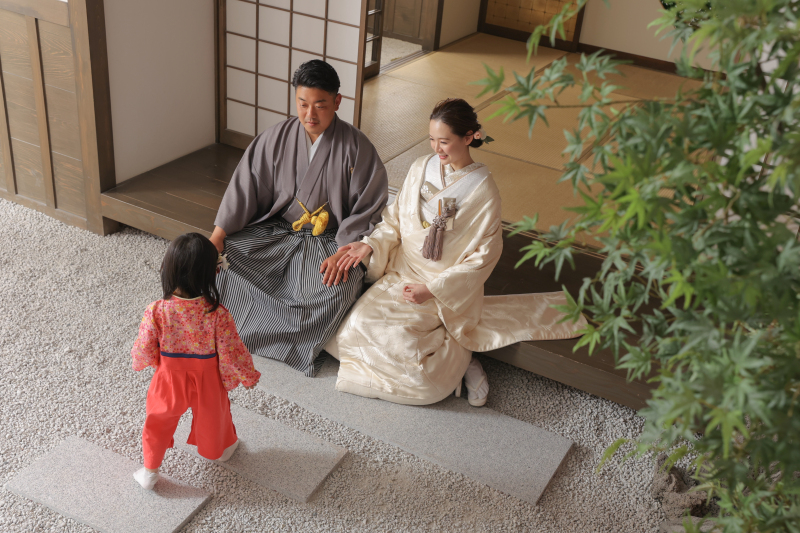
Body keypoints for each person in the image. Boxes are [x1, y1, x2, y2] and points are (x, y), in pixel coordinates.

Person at [328, 98, 587, 406]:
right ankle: (457, 356)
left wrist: (432, 289)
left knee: (407, 354)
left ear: (468, 137)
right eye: (432, 140)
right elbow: (395, 219)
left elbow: (483, 256)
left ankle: (461, 357)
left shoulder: (483, 190)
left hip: (441, 290)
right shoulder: (420, 167)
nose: (437, 148)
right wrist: (370, 243)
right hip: (401, 273)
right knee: (349, 331)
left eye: (445, 141)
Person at [210, 60, 388, 377]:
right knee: (227, 260)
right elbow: (245, 187)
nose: (310, 114)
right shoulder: (275, 138)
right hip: (277, 233)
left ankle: (282, 340)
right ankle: (247, 327)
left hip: (330, 242)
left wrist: (344, 251)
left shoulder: (357, 147)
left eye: (320, 105)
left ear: (337, 101)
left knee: (338, 287)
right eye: (303, 104)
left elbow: (368, 207)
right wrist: (217, 237)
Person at [130, 233, 261, 490]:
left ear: (168, 268)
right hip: (207, 379)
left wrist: (141, 361)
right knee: (214, 419)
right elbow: (232, 350)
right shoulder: (217, 314)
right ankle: (220, 450)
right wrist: (248, 376)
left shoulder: (157, 310)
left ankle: (149, 471)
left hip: (169, 377)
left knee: (158, 420)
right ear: (211, 272)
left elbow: (144, 345)